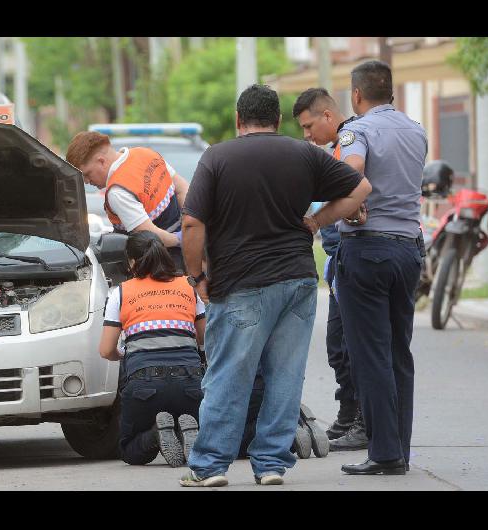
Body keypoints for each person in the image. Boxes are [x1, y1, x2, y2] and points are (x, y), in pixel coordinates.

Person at [178, 84, 371, 487]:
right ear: (278, 120)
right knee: (285, 375)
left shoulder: (217, 157)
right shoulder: (304, 154)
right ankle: (270, 464)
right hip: (297, 280)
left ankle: (211, 465)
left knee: (229, 374)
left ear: (237, 119)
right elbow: (360, 188)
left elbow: (193, 223)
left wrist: (196, 276)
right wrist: (317, 223)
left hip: (240, 283)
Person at [324, 61, 427, 476]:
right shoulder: (416, 129)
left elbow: (351, 172)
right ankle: (399, 448)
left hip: (367, 251)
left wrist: (328, 213)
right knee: (398, 351)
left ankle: (384, 453)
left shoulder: (356, 130)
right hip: (408, 249)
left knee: (369, 355)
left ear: (356, 95)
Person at [292, 88, 368, 449]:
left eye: (309, 126)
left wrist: (318, 221)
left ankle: (363, 421)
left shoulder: (351, 141)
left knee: (353, 343)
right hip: (338, 256)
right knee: (338, 344)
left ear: (327, 116)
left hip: (354, 250)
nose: (307, 135)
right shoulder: (333, 148)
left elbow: (355, 182)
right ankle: (347, 413)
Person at [99, 230, 206, 467]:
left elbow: (106, 349)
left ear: (133, 262)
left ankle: (157, 433)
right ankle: (188, 430)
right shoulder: (188, 286)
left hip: (144, 385)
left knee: (130, 450)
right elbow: (205, 339)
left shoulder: (122, 292)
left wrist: (125, 354)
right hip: (189, 382)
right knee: (199, 420)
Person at [66, 131, 190, 269]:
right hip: (184, 255)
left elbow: (149, 235)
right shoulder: (145, 154)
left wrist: (181, 239)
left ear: (101, 161)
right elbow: (183, 188)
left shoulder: (118, 191)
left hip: (160, 264)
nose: (86, 181)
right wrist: (189, 229)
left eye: (87, 174)